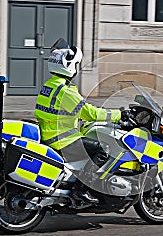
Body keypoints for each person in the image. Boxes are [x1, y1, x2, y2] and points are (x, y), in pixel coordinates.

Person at [34, 38, 122, 203]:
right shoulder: (65, 90)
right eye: (76, 65)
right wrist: (118, 115)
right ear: (69, 65)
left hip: (51, 135)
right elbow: (90, 112)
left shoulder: (49, 85)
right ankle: (80, 190)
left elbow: (68, 114)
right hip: (63, 140)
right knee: (104, 150)